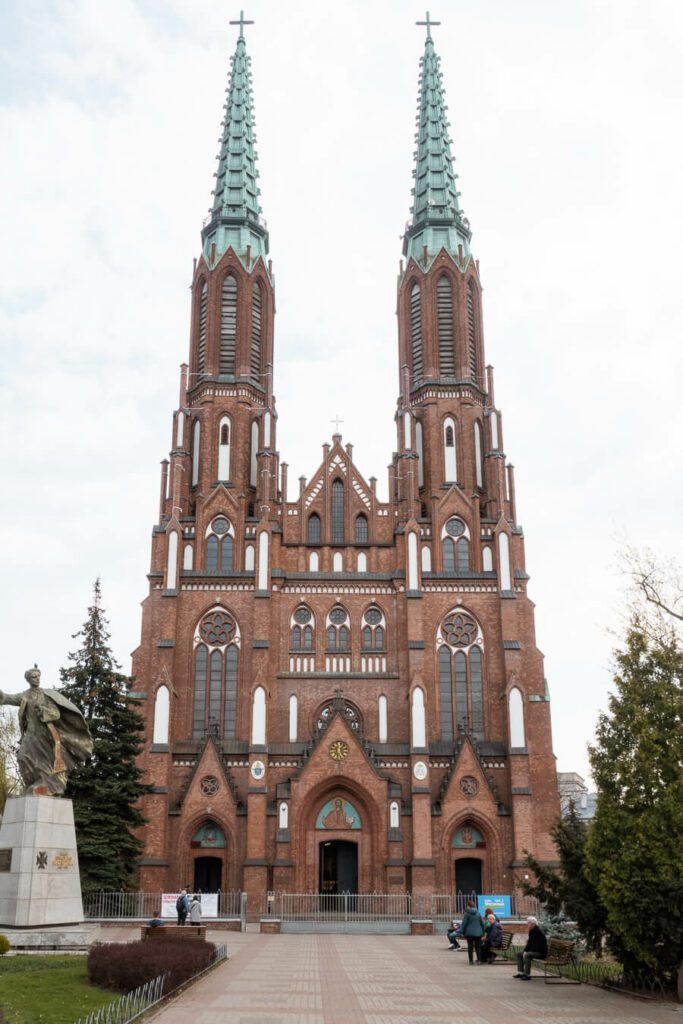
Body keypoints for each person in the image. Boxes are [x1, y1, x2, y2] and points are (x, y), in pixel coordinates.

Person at [0, 666, 93, 796]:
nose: (37, 679)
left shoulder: (46, 695)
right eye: (34, 677)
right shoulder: (25, 695)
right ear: (28, 680)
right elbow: (8, 698)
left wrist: (43, 711)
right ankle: (32, 782)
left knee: (43, 759)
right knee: (23, 757)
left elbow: (56, 714)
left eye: (38, 676)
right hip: (30, 733)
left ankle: (46, 784)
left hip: (44, 733)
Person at [460, 899, 486, 964]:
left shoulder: (466, 914)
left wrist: (462, 931)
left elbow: (464, 924)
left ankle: (471, 961)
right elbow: (482, 923)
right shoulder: (478, 913)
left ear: (468, 906)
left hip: (469, 933)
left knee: (470, 947)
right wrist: (483, 932)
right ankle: (479, 960)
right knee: (478, 947)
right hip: (478, 933)